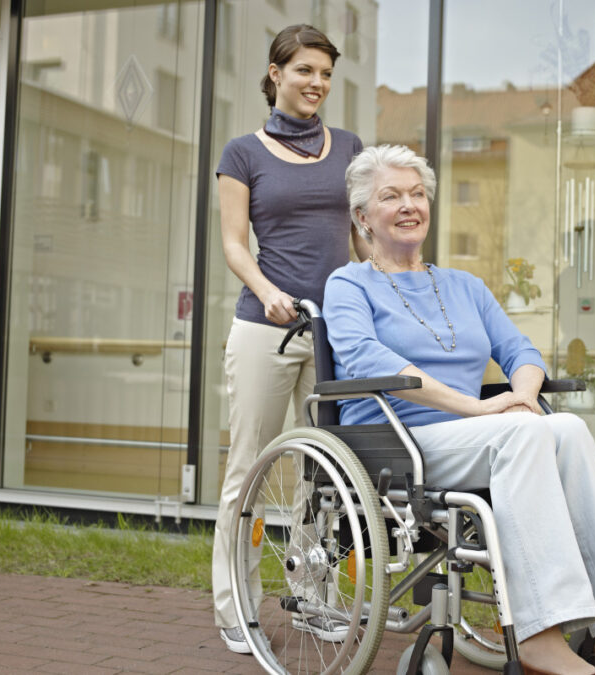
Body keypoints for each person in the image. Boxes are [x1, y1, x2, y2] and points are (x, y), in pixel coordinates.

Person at [323, 145, 595, 675]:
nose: (409, 205)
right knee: (523, 433)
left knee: (567, 427)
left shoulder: (464, 286)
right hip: (397, 442)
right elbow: (365, 357)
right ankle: (540, 638)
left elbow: (521, 351)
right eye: (391, 196)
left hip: (478, 436)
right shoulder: (349, 284)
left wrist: (521, 396)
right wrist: (478, 409)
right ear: (363, 216)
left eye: (417, 194)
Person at [211, 24, 370, 655]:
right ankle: (235, 604)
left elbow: (361, 238)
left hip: (333, 331)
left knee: (325, 474)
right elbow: (234, 244)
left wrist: (385, 290)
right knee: (249, 466)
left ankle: (313, 598)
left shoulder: (349, 147)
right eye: (305, 70)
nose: (317, 83)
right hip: (265, 328)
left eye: (326, 74)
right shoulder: (241, 154)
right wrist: (268, 290)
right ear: (275, 73)